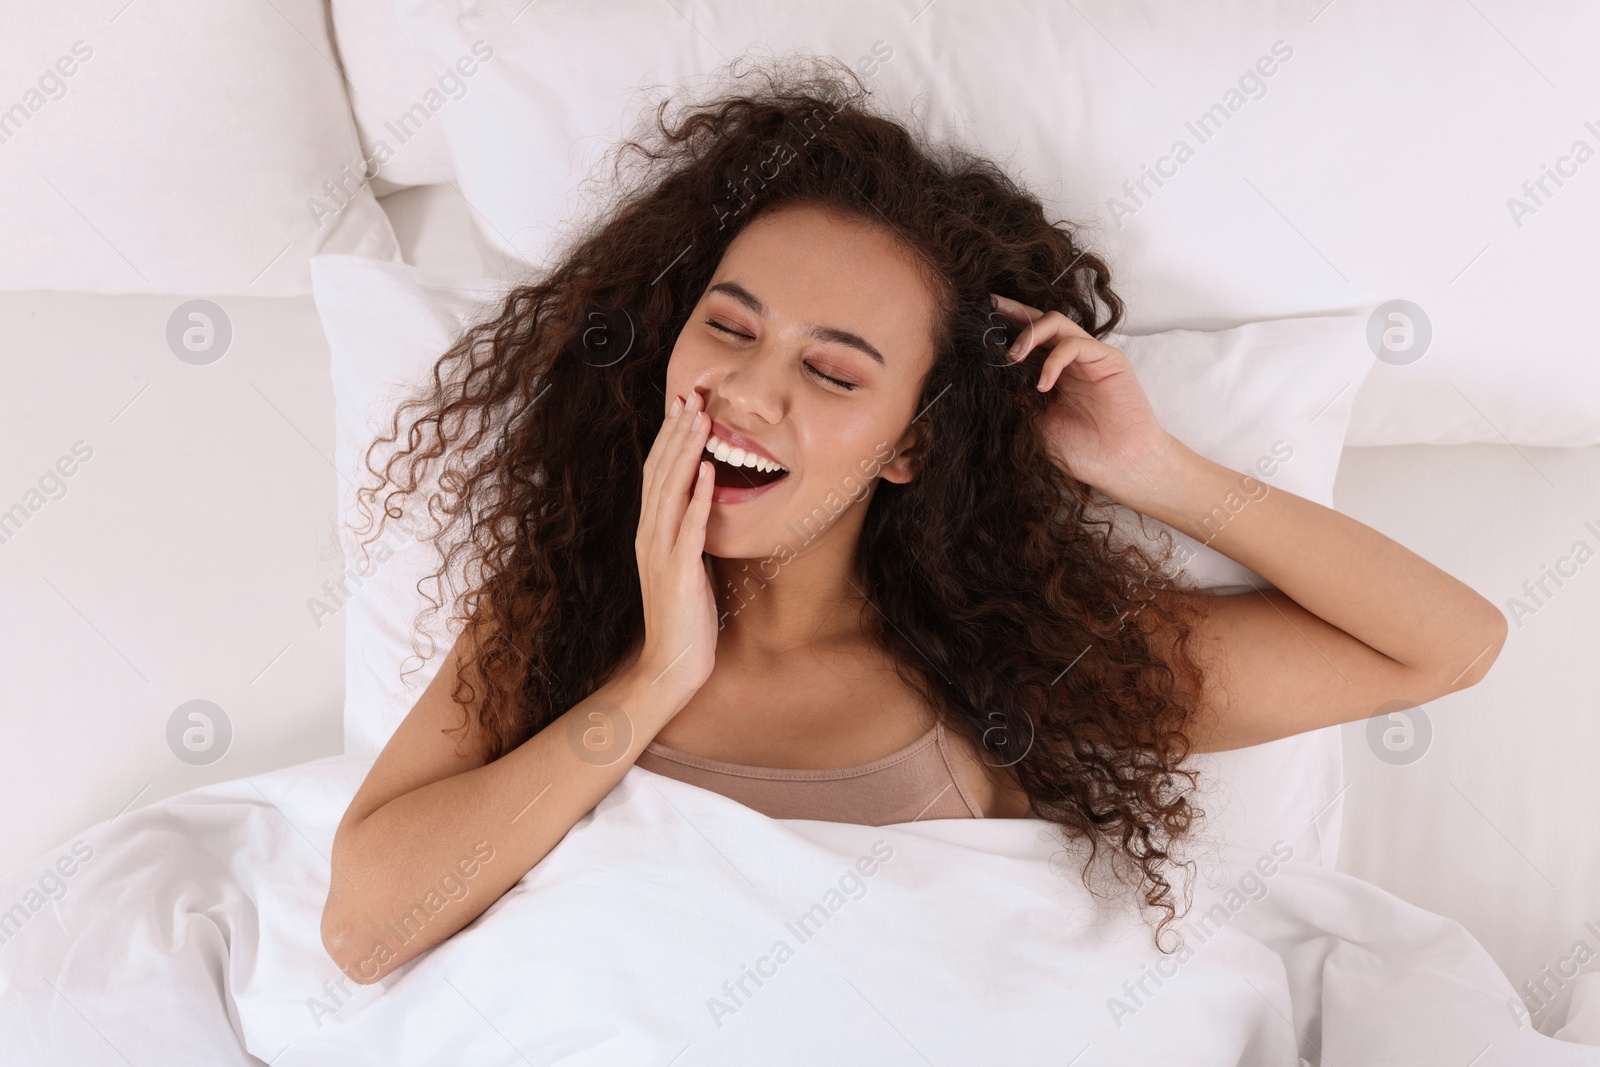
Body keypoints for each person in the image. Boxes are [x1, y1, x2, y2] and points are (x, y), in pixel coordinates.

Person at [319, 58, 1506, 986]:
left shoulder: (1011, 660)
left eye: (833, 374)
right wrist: (653, 678)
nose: (749, 392)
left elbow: (1446, 645)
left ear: (910, 444)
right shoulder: (559, 619)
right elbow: (369, 931)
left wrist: (1154, 469)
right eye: (728, 327)